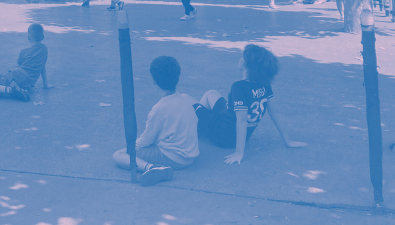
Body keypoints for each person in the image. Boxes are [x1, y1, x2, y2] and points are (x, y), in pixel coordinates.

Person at [194, 44, 306, 164]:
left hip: (223, 136)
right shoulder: (265, 85)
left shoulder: (239, 87)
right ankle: (200, 127)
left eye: (243, 57)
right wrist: (288, 141)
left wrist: (239, 153)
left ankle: (199, 129)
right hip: (239, 132)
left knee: (187, 100)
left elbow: (241, 121)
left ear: (248, 65)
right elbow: (275, 113)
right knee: (211, 93)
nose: (240, 59)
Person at [113, 56, 199, 186]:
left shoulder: (159, 109)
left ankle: (150, 167)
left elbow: (146, 141)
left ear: (154, 80)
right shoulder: (185, 99)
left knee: (119, 155)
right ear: (177, 77)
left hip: (174, 158)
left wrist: (132, 146)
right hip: (190, 156)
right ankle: (155, 166)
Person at [0, 23, 50, 101]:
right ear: (43, 37)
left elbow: (18, 66)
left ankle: (11, 90)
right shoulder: (44, 49)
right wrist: (45, 85)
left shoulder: (24, 52)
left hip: (19, 75)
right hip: (28, 85)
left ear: (28, 37)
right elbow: (43, 68)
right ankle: (18, 91)